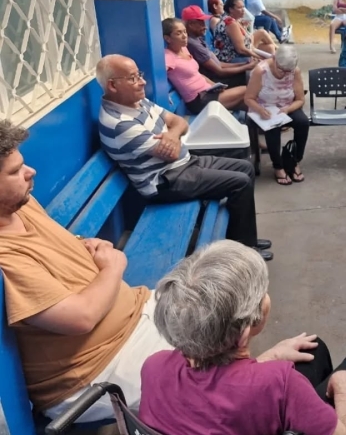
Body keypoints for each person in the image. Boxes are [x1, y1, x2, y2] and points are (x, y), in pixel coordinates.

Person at [0, 120, 173, 421]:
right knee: (213, 370)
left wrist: (83, 243)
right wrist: (114, 266)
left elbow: (55, 246)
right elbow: (81, 317)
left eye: (22, 164)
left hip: (135, 313)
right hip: (97, 367)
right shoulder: (5, 257)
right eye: (14, 172)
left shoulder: (19, 205)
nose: (30, 172)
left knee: (234, 311)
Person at [139, 240, 346, 435]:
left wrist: (269, 358)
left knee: (314, 349)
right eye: (260, 294)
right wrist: (343, 384)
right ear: (245, 332)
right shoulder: (282, 386)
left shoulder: (154, 367)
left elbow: (219, 391)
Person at [95, 55, 273, 260]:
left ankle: (243, 238)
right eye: (133, 78)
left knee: (245, 167)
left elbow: (178, 121)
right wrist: (175, 135)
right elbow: (171, 153)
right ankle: (243, 251)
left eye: (139, 75)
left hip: (183, 164)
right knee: (239, 183)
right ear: (113, 85)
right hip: (164, 181)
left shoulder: (138, 102)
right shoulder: (119, 124)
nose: (142, 82)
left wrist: (171, 134)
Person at [244, 46, 309, 185]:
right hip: (263, 107)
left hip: (286, 107)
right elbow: (248, 98)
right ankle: (278, 166)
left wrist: (287, 109)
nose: (285, 74)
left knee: (303, 122)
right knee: (272, 127)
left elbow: (300, 99)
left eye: (288, 71)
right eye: (281, 69)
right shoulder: (260, 71)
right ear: (273, 59)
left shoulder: (294, 71)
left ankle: (294, 160)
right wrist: (260, 110)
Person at [163, 18, 246, 114]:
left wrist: (215, 85)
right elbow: (158, 74)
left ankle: (259, 126)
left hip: (209, 91)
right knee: (246, 90)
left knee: (245, 102)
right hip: (199, 100)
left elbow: (197, 74)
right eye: (178, 33)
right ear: (167, 38)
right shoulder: (168, 57)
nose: (184, 36)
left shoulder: (184, 49)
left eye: (185, 32)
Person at [182, 5, 254, 88]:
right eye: (201, 23)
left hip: (221, 76)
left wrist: (244, 64)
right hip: (217, 81)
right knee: (254, 74)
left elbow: (219, 64)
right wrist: (247, 67)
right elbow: (220, 72)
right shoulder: (193, 44)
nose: (205, 26)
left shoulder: (197, 39)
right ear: (191, 24)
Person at [213, 0, 277, 64]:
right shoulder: (230, 23)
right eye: (239, 8)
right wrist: (259, 58)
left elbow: (247, 38)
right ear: (231, 9)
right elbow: (241, 50)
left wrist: (244, 27)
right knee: (266, 62)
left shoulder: (233, 20)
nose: (243, 10)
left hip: (244, 51)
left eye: (243, 7)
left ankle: (277, 58)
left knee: (270, 47)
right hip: (231, 58)